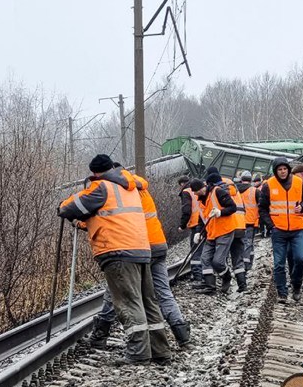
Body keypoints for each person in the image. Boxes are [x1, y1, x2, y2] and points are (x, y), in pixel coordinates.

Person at [58, 154, 171, 366]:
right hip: (141, 249)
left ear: (94, 173)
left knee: (128, 302)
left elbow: (72, 207)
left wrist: (63, 206)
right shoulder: (129, 188)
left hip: (118, 251)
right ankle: (160, 350)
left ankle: (138, 353)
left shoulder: (101, 187)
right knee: (148, 301)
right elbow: (111, 216)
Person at [97, 164, 190, 348]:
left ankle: (101, 333)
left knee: (115, 290)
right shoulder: (140, 187)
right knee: (163, 292)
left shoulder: (120, 192)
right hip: (158, 244)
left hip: (137, 247)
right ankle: (182, 334)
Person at [258, 157, 303, 303]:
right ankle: (282, 293)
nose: (282, 172)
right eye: (279, 169)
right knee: (279, 263)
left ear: (288, 169)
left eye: (285, 169)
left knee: (301, 259)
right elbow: (262, 208)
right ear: (275, 171)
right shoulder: (268, 185)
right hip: (279, 230)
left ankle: (296, 285)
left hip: (297, 228)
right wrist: (271, 225)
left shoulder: (298, 182)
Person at [195, 172, 240, 294]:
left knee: (218, 262)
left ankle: (227, 277)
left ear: (202, 188)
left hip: (224, 231)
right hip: (211, 233)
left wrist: (220, 212)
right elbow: (201, 219)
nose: (195, 194)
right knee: (204, 259)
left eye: (196, 191)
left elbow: (232, 207)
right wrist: (198, 232)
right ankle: (210, 287)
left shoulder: (217, 192)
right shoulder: (200, 201)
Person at [178, 175, 203, 283]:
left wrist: (182, 225)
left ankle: (198, 276)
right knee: (202, 249)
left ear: (182, 184)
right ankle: (203, 274)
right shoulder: (198, 188)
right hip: (204, 221)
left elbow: (187, 210)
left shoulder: (186, 192)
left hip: (196, 223)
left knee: (195, 250)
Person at [235, 171, 259, 272]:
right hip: (250, 222)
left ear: (241, 179)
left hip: (237, 222)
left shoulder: (234, 190)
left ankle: (239, 263)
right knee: (248, 243)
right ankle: (246, 265)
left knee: (239, 244)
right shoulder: (255, 191)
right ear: (251, 180)